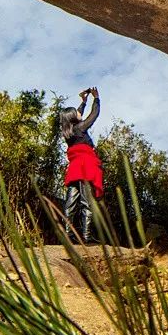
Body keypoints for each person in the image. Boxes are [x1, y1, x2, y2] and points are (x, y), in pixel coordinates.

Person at [58, 86, 103, 243]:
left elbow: (78, 115)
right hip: (85, 167)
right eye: (77, 112)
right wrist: (96, 98)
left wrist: (83, 101)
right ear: (73, 117)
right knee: (86, 202)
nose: (80, 114)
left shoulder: (69, 132)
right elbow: (94, 115)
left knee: (71, 202)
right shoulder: (81, 128)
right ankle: (86, 236)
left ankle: (68, 235)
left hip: (74, 168)